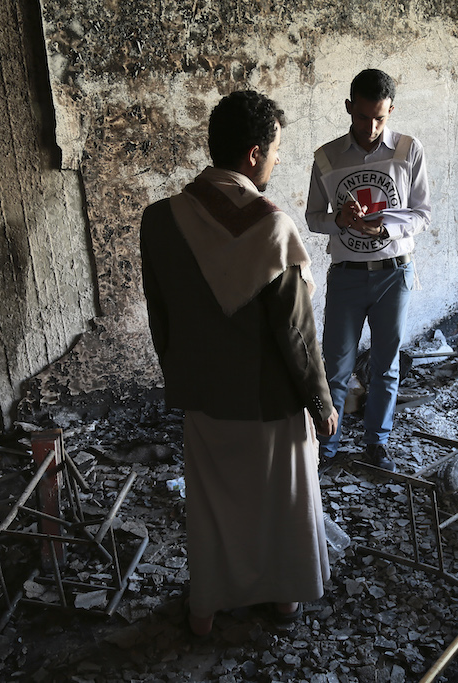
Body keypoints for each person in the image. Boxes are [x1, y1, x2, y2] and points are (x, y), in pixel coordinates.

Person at [140, 90, 338, 637]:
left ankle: (204, 609)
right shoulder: (273, 229)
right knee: (279, 502)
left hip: (203, 396)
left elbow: (162, 315)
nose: (276, 160)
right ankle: (282, 600)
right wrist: (321, 402)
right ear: (253, 154)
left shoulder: (159, 220)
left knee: (214, 508)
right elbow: (297, 334)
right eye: (274, 150)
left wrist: (181, 376)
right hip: (269, 400)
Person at [305, 68, 431, 473]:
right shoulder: (326, 157)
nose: (371, 126)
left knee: (385, 365)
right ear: (348, 108)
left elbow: (422, 214)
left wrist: (387, 226)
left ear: (391, 110)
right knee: (335, 367)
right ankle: (327, 446)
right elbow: (312, 218)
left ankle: (377, 443)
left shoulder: (409, 150)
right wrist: (339, 219)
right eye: (362, 117)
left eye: (380, 117)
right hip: (346, 275)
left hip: (395, 274)